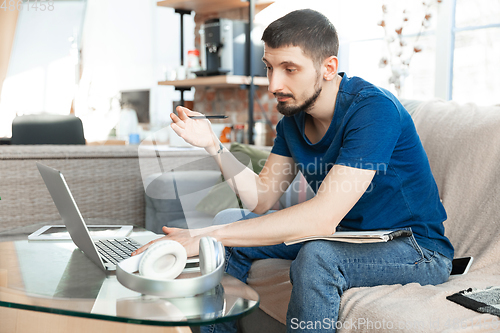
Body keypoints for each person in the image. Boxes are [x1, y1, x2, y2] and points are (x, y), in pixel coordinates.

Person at [133, 9, 454, 332]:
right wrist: (213, 145)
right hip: (348, 237)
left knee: (317, 257)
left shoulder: (373, 110)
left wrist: (204, 235)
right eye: (270, 68)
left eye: (290, 69)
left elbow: (321, 218)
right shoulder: (293, 122)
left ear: (329, 67)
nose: (274, 84)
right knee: (231, 231)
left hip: (415, 247)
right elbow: (260, 199)